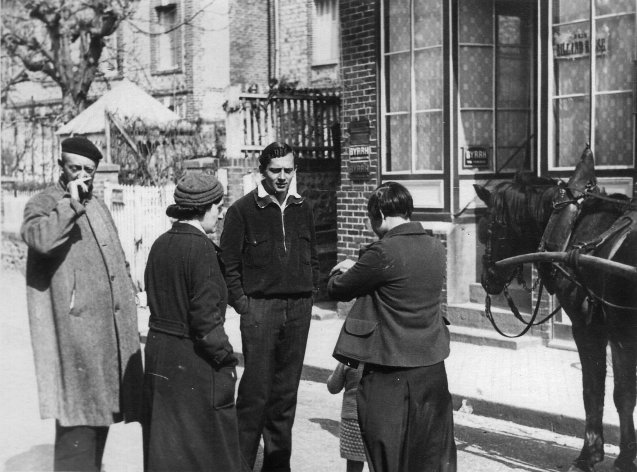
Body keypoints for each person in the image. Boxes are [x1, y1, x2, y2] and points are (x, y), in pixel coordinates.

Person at [21, 136, 143, 472]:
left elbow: (115, 256)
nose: (82, 176)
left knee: (99, 418)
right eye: (75, 168)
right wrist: (70, 205)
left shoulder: (98, 205)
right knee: (77, 420)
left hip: (106, 335)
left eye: (89, 170)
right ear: (61, 165)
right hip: (74, 335)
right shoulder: (44, 203)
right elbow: (40, 239)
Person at [328, 182, 457, 472]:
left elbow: (338, 289)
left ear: (382, 215)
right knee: (429, 457)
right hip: (432, 369)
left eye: (371, 218)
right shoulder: (436, 247)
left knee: (389, 459)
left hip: (389, 372)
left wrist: (350, 268)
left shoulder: (382, 252)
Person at [220, 141, 319, 471]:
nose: (282, 177)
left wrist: (310, 292)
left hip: (299, 309)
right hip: (260, 310)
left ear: (295, 171)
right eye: (275, 170)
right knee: (255, 396)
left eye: (288, 170)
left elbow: (313, 256)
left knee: (285, 397)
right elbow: (229, 264)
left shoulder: (303, 208)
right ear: (262, 171)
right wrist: (243, 305)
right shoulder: (242, 210)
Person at [142, 173, 243, 472]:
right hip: (195, 362)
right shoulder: (202, 249)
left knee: (168, 453)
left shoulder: (160, 243)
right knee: (206, 455)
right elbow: (205, 321)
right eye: (218, 207)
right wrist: (226, 359)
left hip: (160, 358)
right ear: (205, 208)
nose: (220, 214)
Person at [327, 362, 370, 472]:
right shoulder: (385, 358)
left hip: (352, 419)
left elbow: (333, 387)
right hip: (378, 421)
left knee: (354, 464)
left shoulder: (348, 357)